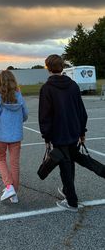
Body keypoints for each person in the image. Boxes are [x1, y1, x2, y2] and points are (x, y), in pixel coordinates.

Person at [38, 54, 88, 212]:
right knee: (69, 162)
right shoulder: (73, 85)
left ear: (48, 67)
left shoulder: (47, 88)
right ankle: (68, 190)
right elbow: (82, 111)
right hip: (73, 131)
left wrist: (46, 136)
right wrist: (82, 131)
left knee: (65, 165)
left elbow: (44, 115)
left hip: (58, 134)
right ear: (62, 67)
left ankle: (72, 201)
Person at [0, 70, 28, 203]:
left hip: (0, 136)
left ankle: (9, 186)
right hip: (16, 135)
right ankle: (14, 193)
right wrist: (16, 122)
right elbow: (25, 115)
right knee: (14, 164)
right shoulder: (19, 96)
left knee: (0, 159)